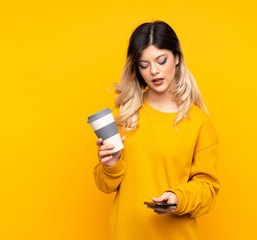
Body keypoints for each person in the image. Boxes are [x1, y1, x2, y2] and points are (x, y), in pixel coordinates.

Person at [93, 20, 220, 240]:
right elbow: (105, 185)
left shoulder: (198, 122)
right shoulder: (125, 116)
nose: (154, 71)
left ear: (177, 58)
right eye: (144, 64)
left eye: (161, 60)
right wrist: (110, 164)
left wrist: (178, 198)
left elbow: (208, 189)